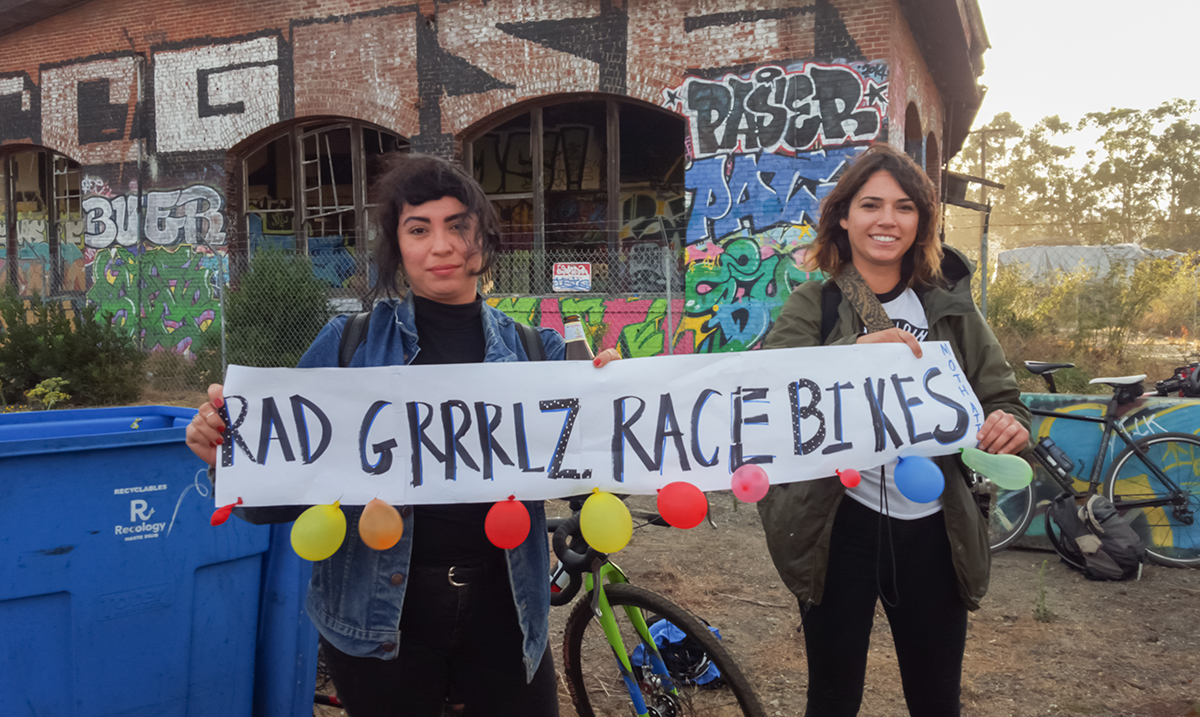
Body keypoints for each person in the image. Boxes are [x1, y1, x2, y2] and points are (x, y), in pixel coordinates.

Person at [186, 153, 620, 717]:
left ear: (484, 240)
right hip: (378, 620)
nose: (440, 246)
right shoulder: (349, 346)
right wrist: (227, 457)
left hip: (507, 615)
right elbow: (277, 497)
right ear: (397, 245)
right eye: (418, 229)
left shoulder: (538, 352)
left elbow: (592, 486)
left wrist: (615, 409)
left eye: (458, 226)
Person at [756, 142, 1030, 717]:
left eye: (905, 207)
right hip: (838, 526)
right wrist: (854, 351)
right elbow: (773, 389)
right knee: (832, 699)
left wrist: (1009, 422)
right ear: (844, 217)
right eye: (871, 204)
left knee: (937, 700)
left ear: (921, 222)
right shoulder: (815, 304)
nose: (887, 220)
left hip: (934, 529)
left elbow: (1001, 396)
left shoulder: (950, 307)